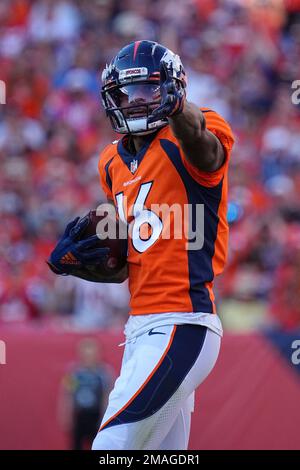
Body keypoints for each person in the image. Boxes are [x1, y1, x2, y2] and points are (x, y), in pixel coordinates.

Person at [48, 40, 235, 450]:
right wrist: (80, 264)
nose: (134, 103)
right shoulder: (110, 162)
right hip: (141, 328)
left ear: (173, 88)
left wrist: (178, 107)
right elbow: (124, 263)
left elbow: (202, 146)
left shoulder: (194, 129)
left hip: (183, 322)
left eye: (147, 90)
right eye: (125, 94)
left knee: (111, 447)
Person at [58, 338, 113, 450]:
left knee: (97, 445)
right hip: (79, 415)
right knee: (76, 444)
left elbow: (108, 395)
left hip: (96, 415)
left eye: (91, 354)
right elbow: (67, 394)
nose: (88, 358)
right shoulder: (74, 372)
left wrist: (106, 416)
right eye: (85, 354)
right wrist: (65, 414)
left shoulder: (104, 373)